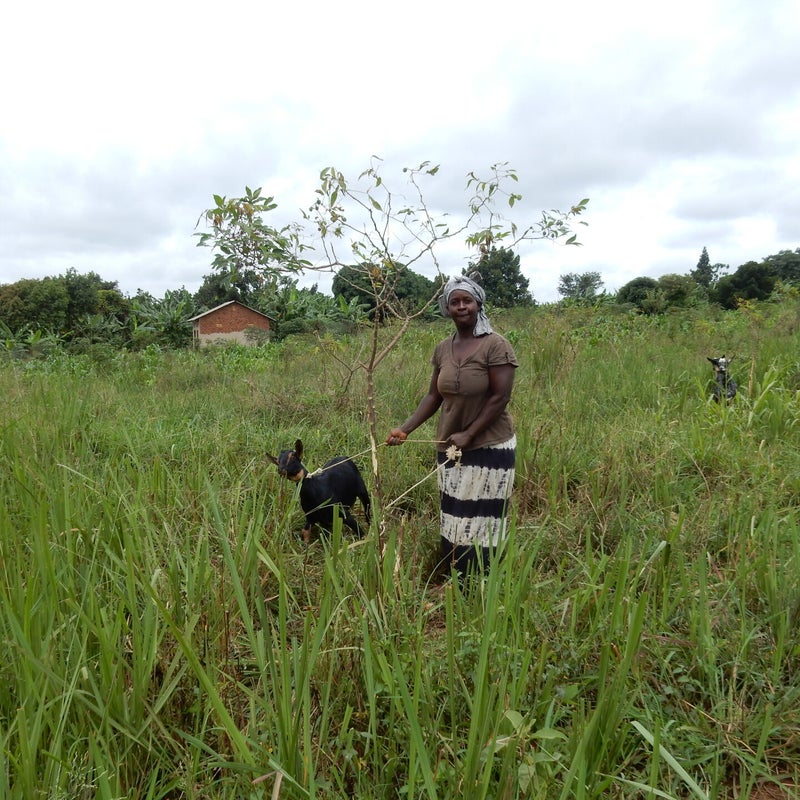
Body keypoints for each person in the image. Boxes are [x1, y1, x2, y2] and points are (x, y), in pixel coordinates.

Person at [385, 273, 518, 581]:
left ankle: (483, 583)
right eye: (454, 301)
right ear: (446, 308)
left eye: (467, 301)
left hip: (489, 447)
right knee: (453, 514)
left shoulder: (496, 345)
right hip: (451, 448)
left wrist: (470, 434)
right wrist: (405, 429)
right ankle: (455, 576)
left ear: (478, 303)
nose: (461, 307)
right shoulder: (443, 348)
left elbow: (500, 397)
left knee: (483, 518)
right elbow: (434, 395)